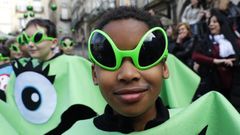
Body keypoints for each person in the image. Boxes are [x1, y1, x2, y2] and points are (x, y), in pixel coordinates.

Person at [64, 6, 240, 135]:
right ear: (94, 74)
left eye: (145, 56)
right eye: (109, 58)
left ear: (164, 67)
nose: (128, 74)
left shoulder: (198, 126)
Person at [3, 18, 105, 134]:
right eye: (26, 39)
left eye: (37, 38)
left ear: (54, 43)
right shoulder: (22, 67)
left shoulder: (72, 64)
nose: (30, 44)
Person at [192, 9, 240, 100]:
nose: (211, 24)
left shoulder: (233, 40)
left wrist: (233, 62)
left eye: (214, 22)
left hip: (234, 84)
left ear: (221, 23)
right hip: (214, 83)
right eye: (209, 22)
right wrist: (216, 61)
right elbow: (195, 55)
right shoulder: (206, 41)